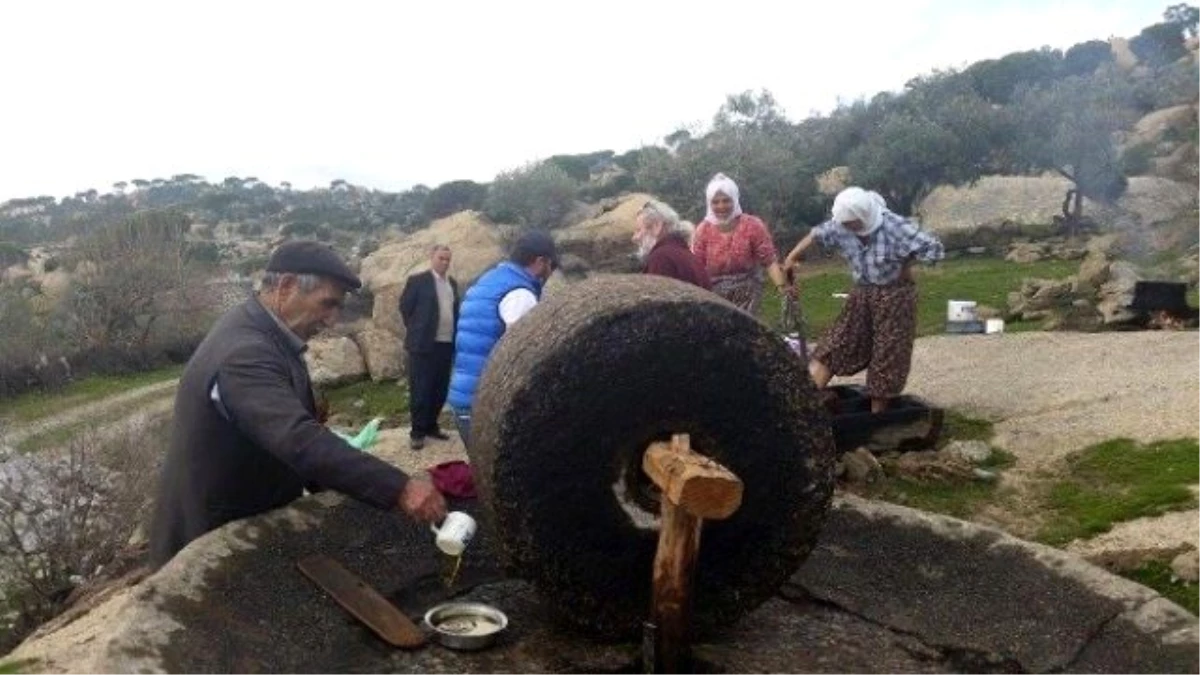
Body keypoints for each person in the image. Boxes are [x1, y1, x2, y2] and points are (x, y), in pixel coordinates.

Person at [149, 241, 447, 568]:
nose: (332, 320)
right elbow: (299, 440)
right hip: (208, 540)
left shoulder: (266, 330)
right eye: (327, 304)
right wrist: (400, 489)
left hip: (242, 521)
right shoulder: (245, 353)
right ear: (287, 286)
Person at [783, 187, 945, 413]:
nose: (848, 228)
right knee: (836, 341)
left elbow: (934, 249)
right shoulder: (839, 224)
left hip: (895, 296)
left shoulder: (894, 226)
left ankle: (876, 420)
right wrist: (791, 257)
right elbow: (816, 234)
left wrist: (906, 265)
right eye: (845, 224)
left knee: (888, 353)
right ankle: (803, 408)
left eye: (853, 224)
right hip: (863, 292)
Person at [446, 230, 559, 445]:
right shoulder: (520, 294)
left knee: (484, 473)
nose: (550, 274)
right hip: (486, 404)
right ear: (541, 261)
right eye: (551, 267)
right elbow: (522, 356)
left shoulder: (489, 281)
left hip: (464, 397)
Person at [691, 173, 791, 315]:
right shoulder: (702, 230)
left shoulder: (752, 225)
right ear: (709, 203)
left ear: (735, 200)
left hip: (748, 290)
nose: (721, 206)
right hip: (714, 294)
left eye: (726, 200)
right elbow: (696, 267)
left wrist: (782, 289)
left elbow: (769, 261)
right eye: (715, 202)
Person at [399, 244, 460, 450]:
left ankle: (432, 426)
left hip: (446, 344)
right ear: (431, 257)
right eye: (441, 258)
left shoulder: (452, 283)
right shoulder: (418, 281)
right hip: (422, 345)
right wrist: (418, 329)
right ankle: (417, 432)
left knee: (440, 389)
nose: (445, 262)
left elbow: (454, 310)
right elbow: (405, 308)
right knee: (421, 389)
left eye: (447, 259)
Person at [632, 199, 711, 289]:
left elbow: (658, 300)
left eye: (638, 230)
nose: (634, 238)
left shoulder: (661, 259)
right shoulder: (685, 254)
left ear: (656, 227)